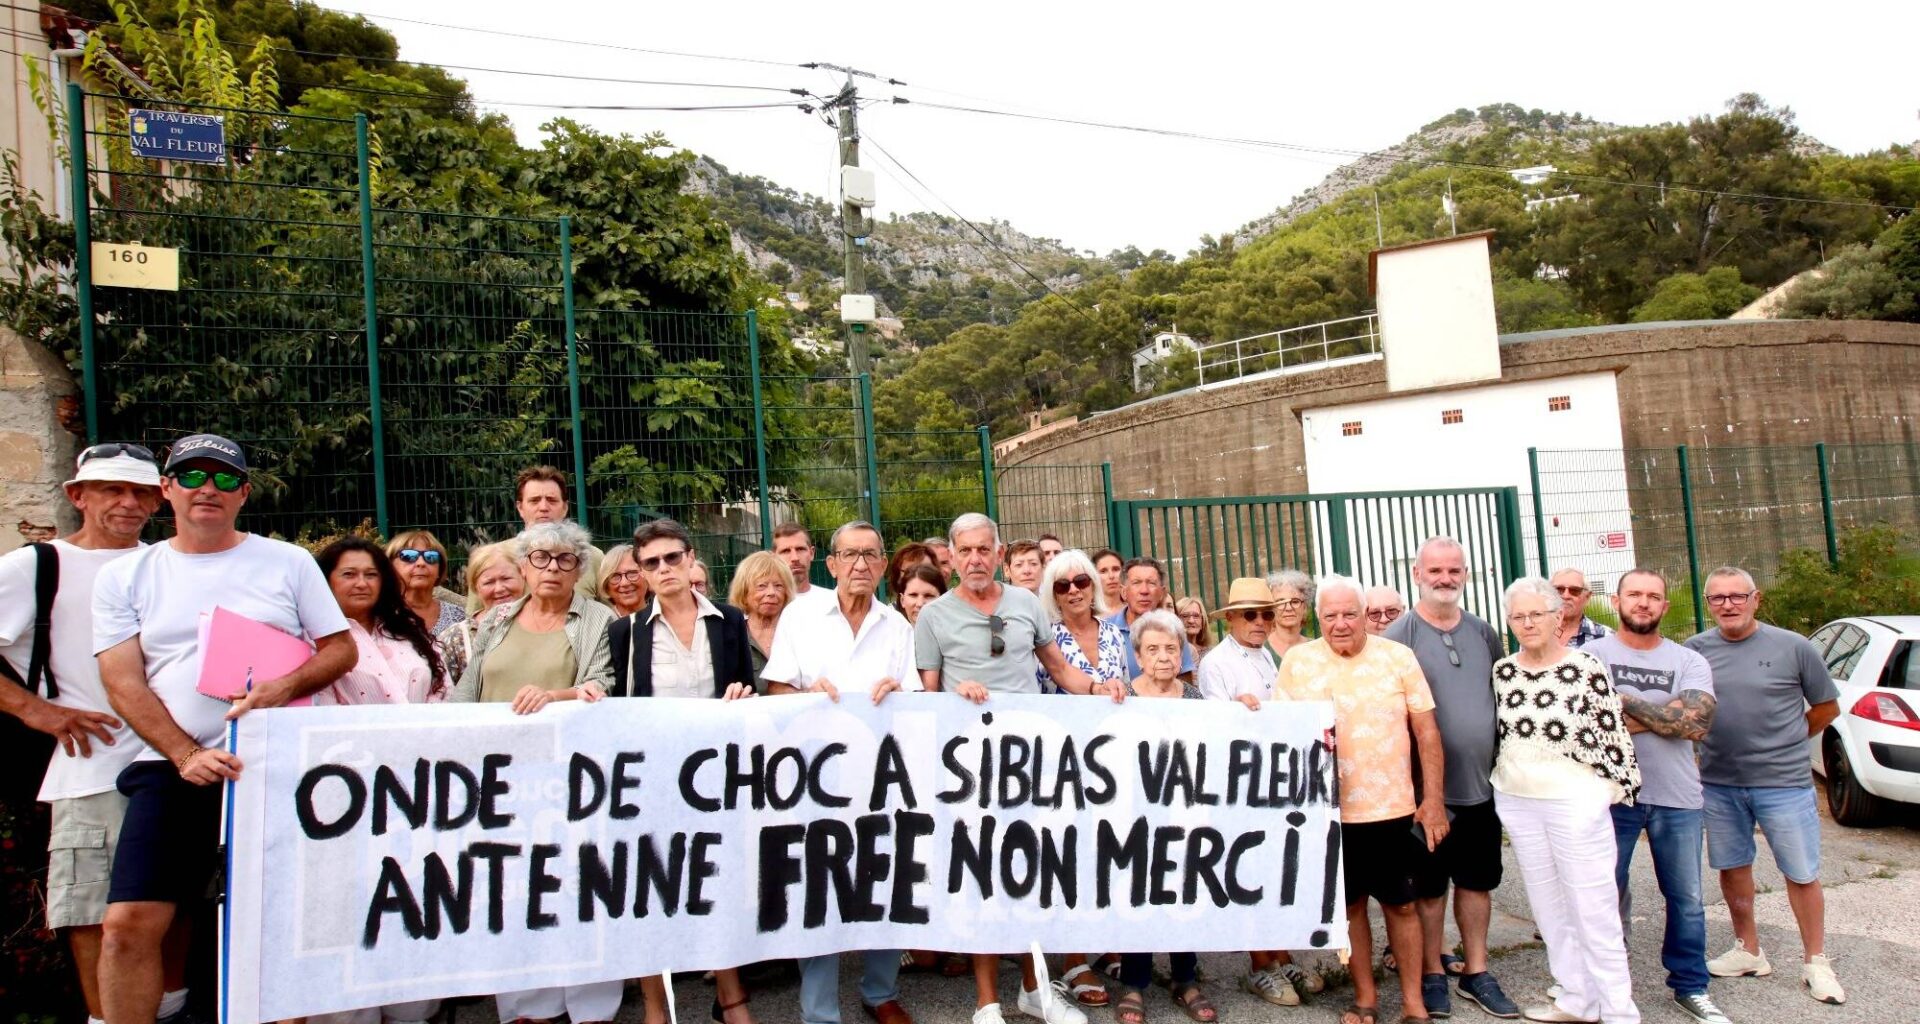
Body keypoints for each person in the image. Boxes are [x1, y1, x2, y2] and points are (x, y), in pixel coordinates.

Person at [93, 433, 357, 1024]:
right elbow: (122, 681)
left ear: (244, 493)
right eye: (189, 477)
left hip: (275, 764)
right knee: (128, 925)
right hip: (170, 770)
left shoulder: (287, 561)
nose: (205, 489)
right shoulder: (127, 574)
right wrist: (186, 754)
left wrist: (284, 687)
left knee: (277, 928)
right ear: (166, 490)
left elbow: (339, 650)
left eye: (222, 478)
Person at [911, 512, 1109, 1024]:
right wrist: (956, 694)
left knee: (1029, 874)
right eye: (965, 550)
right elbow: (927, 696)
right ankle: (987, 1002)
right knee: (981, 879)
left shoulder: (1024, 604)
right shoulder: (933, 617)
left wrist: (1098, 687)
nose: (975, 559)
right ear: (951, 557)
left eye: (984, 549)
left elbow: (1059, 669)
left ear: (999, 555)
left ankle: (1033, 989)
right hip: (970, 766)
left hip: (1029, 760)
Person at [0, 444, 163, 1024]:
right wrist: (37, 711)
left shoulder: (162, 562)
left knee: (171, 908)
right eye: (111, 489)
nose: (128, 503)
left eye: (141, 491)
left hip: (172, 763)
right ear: (77, 496)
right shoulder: (35, 566)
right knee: (94, 910)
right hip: (89, 765)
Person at [447, 519, 619, 1024]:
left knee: (580, 885)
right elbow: (467, 689)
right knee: (512, 888)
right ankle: (527, 1005)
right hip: (497, 780)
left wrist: (554, 697)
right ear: (523, 566)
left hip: (570, 779)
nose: (552, 568)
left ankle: (590, 1005)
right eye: (540, 558)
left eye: (565, 559)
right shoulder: (496, 619)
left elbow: (600, 684)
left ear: (579, 569)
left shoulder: (596, 618)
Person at [761, 520, 917, 1024]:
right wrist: (806, 695)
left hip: (880, 774)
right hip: (815, 775)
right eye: (849, 555)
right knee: (819, 885)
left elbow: (914, 696)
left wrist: (897, 692)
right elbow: (776, 691)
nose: (860, 566)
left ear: (882, 564)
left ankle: (880, 991)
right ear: (830, 564)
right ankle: (820, 1010)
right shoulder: (800, 617)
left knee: (887, 877)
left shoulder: (896, 624)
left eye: (871, 556)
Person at [1274, 576, 1448, 1024]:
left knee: (1402, 905)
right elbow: (1277, 733)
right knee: (1349, 908)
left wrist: (1432, 800)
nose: (1340, 624)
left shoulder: (1397, 657)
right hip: (1329, 814)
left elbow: (1426, 731)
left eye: (1349, 613)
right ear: (1318, 618)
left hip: (1392, 809)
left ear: (1364, 614)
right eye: (1329, 616)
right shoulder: (1297, 661)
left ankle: (1413, 1003)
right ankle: (1365, 998)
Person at [607, 518, 757, 1024]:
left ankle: (731, 997)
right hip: (653, 779)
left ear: (690, 557)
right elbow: (619, 705)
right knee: (652, 887)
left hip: (717, 777)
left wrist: (742, 694)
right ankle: (657, 1006)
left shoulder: (730, 621)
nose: (664, 569)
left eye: (672, 558)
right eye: (651, 563)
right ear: (641, 572)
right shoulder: (625, 631)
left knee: (720, 884)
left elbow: (748, 691)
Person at [1685, 567, 1844, 1005]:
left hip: (1784, 782)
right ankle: (1748, 950)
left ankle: (1816, 961)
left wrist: (1789, 739)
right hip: (1718, 782)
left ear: (1756, 599)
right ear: (1708, 604)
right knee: (1733, 867)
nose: (1728, 605)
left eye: (1738, 596)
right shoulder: (1695, 652)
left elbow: (1826, 707)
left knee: (1801, 871)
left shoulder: (1794, 647)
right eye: (1718, 598)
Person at [1491, 577, 1641, 1024]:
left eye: (1537, 613)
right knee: (1549, 906)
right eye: (1518, 616)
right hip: (1518, 799)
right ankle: (1577, 998)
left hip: (1574, 801)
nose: (1527, 623)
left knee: (1592, 907)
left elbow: (1613, 736)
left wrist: (1605, 792)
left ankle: (1618, 1011)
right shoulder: (1504, 671)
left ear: (1559, 617)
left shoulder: (1586, 666)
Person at [1585, 570, 1731, 1024]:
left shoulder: (1689, 660)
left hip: (1678, 796)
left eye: (1653, 596)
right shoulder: (1591, 656)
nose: (1644, 603)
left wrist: (1622, 701)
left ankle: (1690, 986)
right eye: (1635, 595)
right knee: (1604, 893)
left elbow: (1694, 724)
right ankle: (1604, 986)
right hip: (1612, 797)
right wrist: (1668, 712)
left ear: (1665, 606)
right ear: (1617, 601)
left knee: (1686, 897)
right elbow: (1588, 726)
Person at [1382, 537, 1519, 1019]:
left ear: (1465, 575)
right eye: (1435, 570)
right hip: (1426, 796)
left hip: (1481, 786)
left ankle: (1477, 971)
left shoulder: (1484, 632)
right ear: (1417, 574)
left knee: (1478, 882)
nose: (1445, 579)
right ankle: (1433, 972)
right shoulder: (1398, 636)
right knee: (1429, 888)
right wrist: (1423, 794)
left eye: (1454, 571)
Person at [1111, 610, 1241, 1024]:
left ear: (1183, 651)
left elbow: (1219, 745)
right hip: (1134, 815)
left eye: (1171, 648)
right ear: (1137, 655)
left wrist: (1247, 709)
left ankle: (1186, 977)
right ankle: (1134, 981)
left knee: (1183, 889)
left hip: (1185, 813)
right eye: (1152, 649)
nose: (1163, 657)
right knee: (1139, 893)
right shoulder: (1121, 697)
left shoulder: (1195, 699)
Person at [1193, 578, 1314, 1005]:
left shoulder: (1269, 658)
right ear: (1230, 620)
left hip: (1274, 779)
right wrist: (1236, 712)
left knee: (1275, 868)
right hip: (1240, 781)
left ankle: (1281, 954)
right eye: (1250, 614)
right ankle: (1260, 964)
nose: (1260, 621)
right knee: (1248, 871)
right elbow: (1213, 725)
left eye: (1266, 613)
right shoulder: (1217, 662)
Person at [314, 538, 449, 707]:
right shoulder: (315, 639)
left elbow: (443, 687)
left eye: (371, 575)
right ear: (326, 580)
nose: (362, 583)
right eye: (349, 574)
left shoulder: (408, 630)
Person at [440, 541, 523, 685]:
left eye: (506, 579)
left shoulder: (547, 627)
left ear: (523, 578)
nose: (499, 589)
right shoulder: (456, 638)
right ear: (475, 588)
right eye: (489, 582)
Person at [514, 465, 602, 599]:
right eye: (534, 500)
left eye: (552, 500)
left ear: (565, 507)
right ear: (520, 508)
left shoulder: (592, 557)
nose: (543, 507)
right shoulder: (495, 557)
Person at [1106, 558, 1196, 680]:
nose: (1144, 591)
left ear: (1162, 593)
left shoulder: (1173, 628)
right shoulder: (1106, 630)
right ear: (1123, 592)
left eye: (1152, 583)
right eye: (1136, 583)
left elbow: (1185, 685)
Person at [730, 550, 797, 687]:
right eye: (762, 586)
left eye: (778, 586)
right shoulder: (732, 635)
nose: (771, 593)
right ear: (744, 591)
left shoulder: (798, 632)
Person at [384, 529, 465, 634]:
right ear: (390, 566)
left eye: (431, 557)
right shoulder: (379, 616)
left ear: (439, 570)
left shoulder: (459, 618)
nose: (421, 563)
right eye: (409, 556)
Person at [775, 522, 835, 612]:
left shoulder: (833, 602)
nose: (795, 558)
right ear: (774, 557)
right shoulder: (765, 605)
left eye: (800, 549)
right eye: (786, 551)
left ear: (811, 553)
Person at [1550, 568, 1612, 649]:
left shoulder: (1605, 637)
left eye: (1574, 590)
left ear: (1587, 597)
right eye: (1558, 590)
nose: (1566, 596)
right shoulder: (1535, 633)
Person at [1265, 570, 1315, 661]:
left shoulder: (1317, 650)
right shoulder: (1260, 650)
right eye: (1280, 602)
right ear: (1271, 608)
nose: (1288, 608)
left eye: (1295, 601)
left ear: (1305, 607)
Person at [594, 542, 648, 618]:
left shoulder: (665, 619)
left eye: (632, 573)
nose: (624, 583)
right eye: (615, 576)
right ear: (606, 585)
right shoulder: (601, 624)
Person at [1091, 548, 1125, 614]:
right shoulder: (1088, 615)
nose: (1111, 576)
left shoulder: (1133, 610)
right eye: (1103, 571)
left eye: (1116, 569)